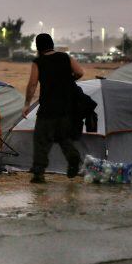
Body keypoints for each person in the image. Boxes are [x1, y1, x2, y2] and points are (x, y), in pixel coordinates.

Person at [22, 34, 84, 183]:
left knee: (41, 140)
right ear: (51, 44)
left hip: (48, 109)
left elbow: (32, 85)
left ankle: (38, 174)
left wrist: (26, 104)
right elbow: (80, 72)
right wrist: (68, 81)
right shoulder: (65, 57)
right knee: (63, 137)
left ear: (38, 47)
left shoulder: (39, 62)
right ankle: (72, 156)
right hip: (66, 107)